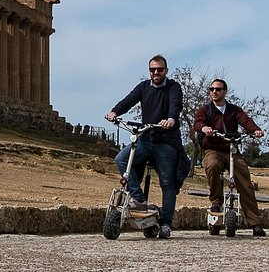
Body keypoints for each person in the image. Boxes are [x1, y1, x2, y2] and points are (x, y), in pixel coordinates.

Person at [105, 54, 185, 239]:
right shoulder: (143, 87)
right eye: (152, 69)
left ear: (166, 70)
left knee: (167, 182)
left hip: (166, 141)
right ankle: (138, 198)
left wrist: (171, 119)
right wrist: (115, 112)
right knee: (122, 159)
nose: (156, 72)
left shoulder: (173, 87)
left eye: (159, 69)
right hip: (145, 138)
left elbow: (176, 104)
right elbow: (128, 100)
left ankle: (165, 224)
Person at [193, 79, 266, 237]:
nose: (214, 92)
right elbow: (198, 122)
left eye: (218, 89)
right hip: (212, 149)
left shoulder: (233, 110)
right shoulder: (205, 110)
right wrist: (204, 128)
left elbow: (246, 121)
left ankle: (255, 223)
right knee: (212, 165)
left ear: (225, 91)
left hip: (231, 149)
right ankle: (216, 203)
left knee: (244, 180)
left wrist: (256, 130)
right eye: (211, 89)